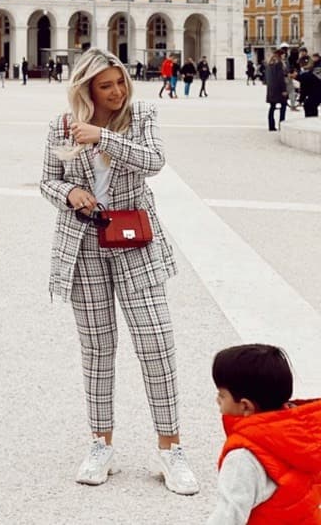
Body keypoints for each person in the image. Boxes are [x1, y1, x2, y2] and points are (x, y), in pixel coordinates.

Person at [40, 48, 199, 495]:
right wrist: (69, 191)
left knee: (156, 345)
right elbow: (46, 179)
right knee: (97, 349)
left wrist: (103, 138)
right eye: (105, 85)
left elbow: (154, 161)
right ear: (87, 88)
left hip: (136, 241)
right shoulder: (60, 125)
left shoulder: (142, 114)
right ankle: (100, 443)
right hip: (84, 245)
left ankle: (171, 449)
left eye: (120, 82)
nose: (117, 91)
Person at [207, 344, 321, 524]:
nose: (217, 400)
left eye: (222, 395)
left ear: (245, 406)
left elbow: (228, 516)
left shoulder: (243, 458)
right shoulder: (306, 436)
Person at [265, 51, 287, 132]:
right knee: (283, 106)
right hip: (279, 89)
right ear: (280, 56)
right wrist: (284, 90)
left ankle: (271, 126)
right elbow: (280, 78)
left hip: (271, 89)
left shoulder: (269, 64)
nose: (284, 57)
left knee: (272, 107)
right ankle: (282, 124)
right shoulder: (279, 64)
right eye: (284, 55)